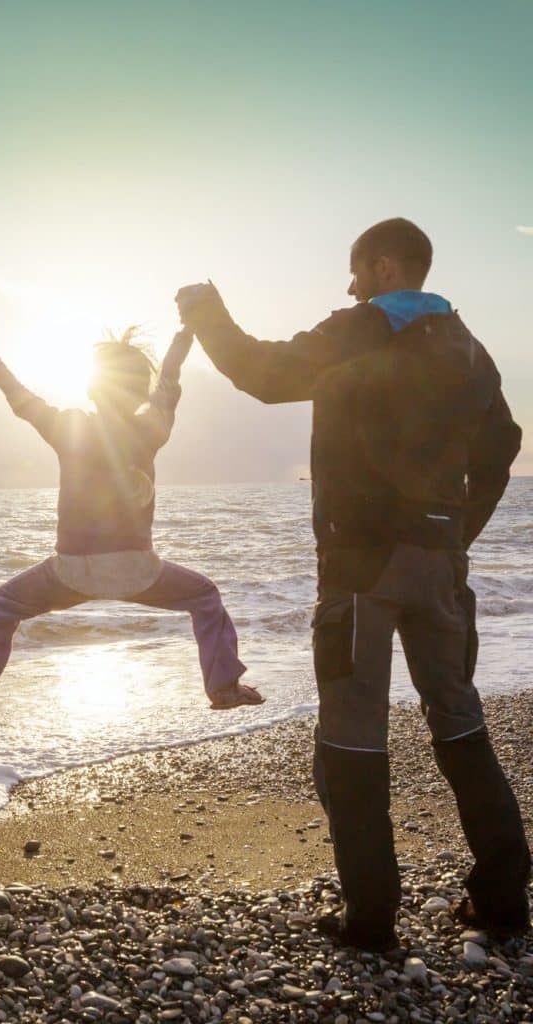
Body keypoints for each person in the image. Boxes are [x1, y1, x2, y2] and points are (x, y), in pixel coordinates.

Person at [176, 217, 530, 952]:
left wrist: (205, 315)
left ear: (386, 265)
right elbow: (504, 446)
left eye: (358, 270)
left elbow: (267, 376)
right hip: (439, 566)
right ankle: (502, 899)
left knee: (352, 734)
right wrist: (454, 533)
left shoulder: (365, 327)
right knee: (459, 722)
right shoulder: (471, 347)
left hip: (363, 564)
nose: (350, 285)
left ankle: (370, 920)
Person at [0, 326, 263, 712]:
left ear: (93, 388)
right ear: (141, 391)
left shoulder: (69, 427)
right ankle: (224, 687)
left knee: (3, 604)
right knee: (205, 597)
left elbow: (19, 397)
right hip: (137, 568)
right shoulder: (150, 428)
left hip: (72, 568)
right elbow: (170, 383)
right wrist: (181, 341)